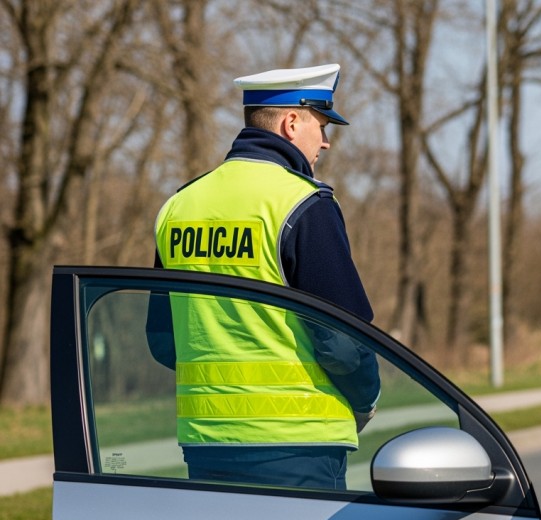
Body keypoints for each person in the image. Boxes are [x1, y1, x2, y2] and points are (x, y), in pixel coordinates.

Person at [146, 63, 379, 489]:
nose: (325, 143)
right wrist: (366, 399)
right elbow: (343, 342)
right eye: (322, 126)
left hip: (206, 444)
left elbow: (165, 341)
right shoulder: (303, 204)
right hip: (299, 446)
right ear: (292, 123)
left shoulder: (180, 205)